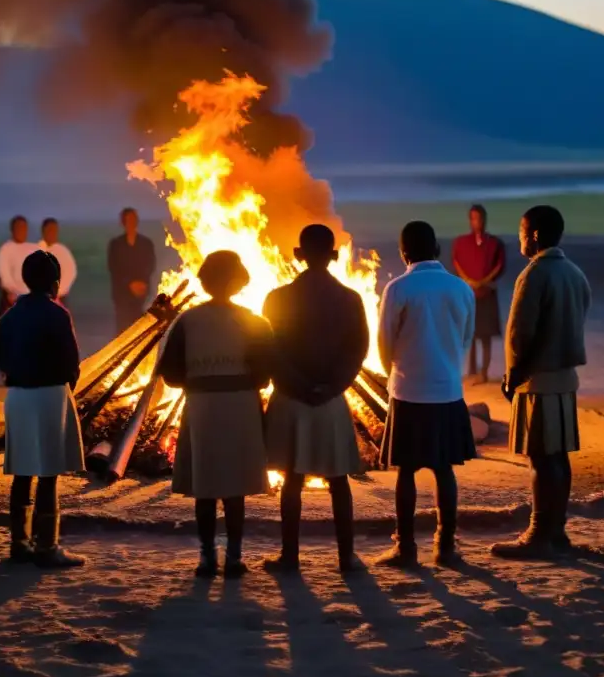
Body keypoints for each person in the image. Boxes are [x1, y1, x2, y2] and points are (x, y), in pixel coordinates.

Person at [156, 250, 272, 579]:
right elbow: (265, 375)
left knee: (205, 485)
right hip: (240, 406)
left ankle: (207, 558)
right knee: (234, 487)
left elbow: (171, 375)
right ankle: (234, 558)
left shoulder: (187, 322)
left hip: (203, 406)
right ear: (238, 282)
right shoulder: (254, 322)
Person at [262, 225, 369, 574]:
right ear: (335, 255)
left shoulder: (276, 298)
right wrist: (331, 386)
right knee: (338, 480)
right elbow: (358, 350)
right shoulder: (351, 299)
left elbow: (272, 351)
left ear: (298, 254)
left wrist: (297, 384)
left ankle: (290, 557)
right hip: (331, 401)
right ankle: (346, 557)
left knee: (293, 480)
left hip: (291, 398)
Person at [376, 221, 476, 569]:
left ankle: (406, 548)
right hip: (447, 389)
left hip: (409, 390)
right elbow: (466, 338)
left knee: (406, 471)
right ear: (436, 248)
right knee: (444, 469)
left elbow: (384, 345)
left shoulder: (398, 288)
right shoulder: (461, 288)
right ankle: (445, 546)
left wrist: (399, 369)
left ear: (404, 253)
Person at [494, 205, 591, 559]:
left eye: (521, 230)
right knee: (559, 457)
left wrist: (513, 375)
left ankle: (538, 534)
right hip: (566, 379)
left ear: (534, 234)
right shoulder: (575, 273)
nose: (518, 237)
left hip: (537, 381)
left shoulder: (534, 274)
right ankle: (558, 530)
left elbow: (522, 334)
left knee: (539, 458)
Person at [0, 250, 85, 568]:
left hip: (17, 396)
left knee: (22, 471)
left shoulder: (7, 318)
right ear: (55, 283)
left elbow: (2, 361)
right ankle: (47, 546)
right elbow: (71, 365)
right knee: (48, 473)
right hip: (49, 395)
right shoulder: (58, 315)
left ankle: (19, 543)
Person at [452, 203, 506, 383]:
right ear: (470, 220)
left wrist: (483, 281)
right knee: (471, 334)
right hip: (468, 293)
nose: (478, 222)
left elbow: (500, 265)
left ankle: (484, 372)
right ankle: (472, 370)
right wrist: (468, 281)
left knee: (486, 334)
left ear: (485, 220)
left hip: (487, 293)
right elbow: (456, 263)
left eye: (480, 218)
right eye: (474, 218)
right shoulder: (461, 242)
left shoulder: (495, 243)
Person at [108, 207, 156, 334]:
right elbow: (114, 268)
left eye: (135, 218)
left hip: (141, 293)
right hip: (122, 294)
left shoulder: (146, 243)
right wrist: (130, 284)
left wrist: (142, 282)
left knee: (140, 328)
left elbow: (150, 265)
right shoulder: (116, 244)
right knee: (123, 329)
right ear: (123, 222)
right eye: (129, 219)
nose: (132, 221)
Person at [0, 216, 38, 318]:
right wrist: (13, 292)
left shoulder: (34, 248)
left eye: (24, 228)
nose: (21, 231)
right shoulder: (5, 249)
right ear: (12, 229)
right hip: (13, 299)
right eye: (18, 227)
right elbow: (3, 274)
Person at [38, 218, 77, 305]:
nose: (52, 233)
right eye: (49, 230)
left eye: (54, 230)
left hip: (60, 297)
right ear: (43, 231)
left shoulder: (63, 251)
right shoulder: (36, 250)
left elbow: (70, 273)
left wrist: (58, 292)